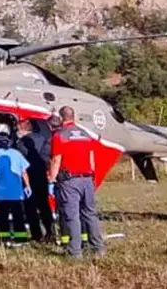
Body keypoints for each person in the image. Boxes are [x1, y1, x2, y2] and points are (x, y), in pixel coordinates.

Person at [47, 106, 106, 258]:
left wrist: (51, 179)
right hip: (87, 179)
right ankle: (98, 248)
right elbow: (91, 158)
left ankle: (75, 252)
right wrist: (92, 177)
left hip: (70, 180)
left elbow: (56, 160)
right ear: (74, 116)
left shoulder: (60, 135)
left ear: (61, 118)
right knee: (90, 214)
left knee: (71, 216)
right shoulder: (86, 134)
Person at [0, 123, 32, 247]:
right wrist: (28, 186)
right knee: (18, 217)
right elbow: (24, 172)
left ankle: (4, 240)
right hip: (16, 192)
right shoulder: (16, 154)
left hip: (0, 192)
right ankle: (21, 239)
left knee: (2, 217)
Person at [15, 118, 55, 243]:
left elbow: (20, 161)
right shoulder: (43, 139)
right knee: (44, 205)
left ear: (24, 128)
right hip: (41, 175)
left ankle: (36, 234)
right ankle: (50, 232)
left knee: (30, 206)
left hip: (28, 175)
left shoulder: (21, 142)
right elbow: (48, 156)